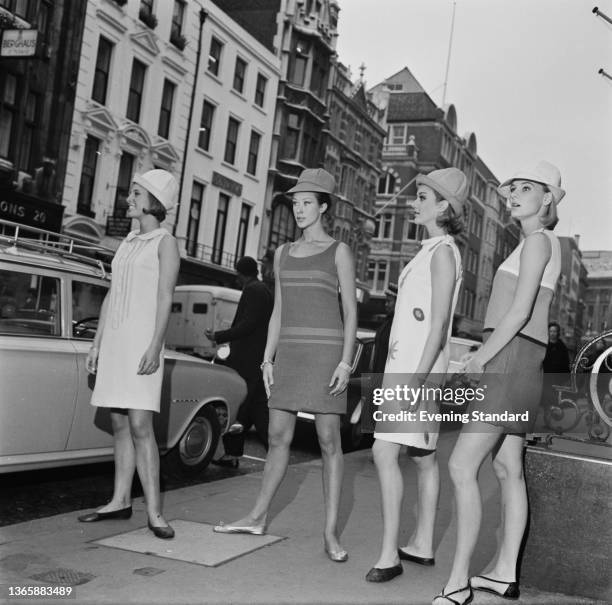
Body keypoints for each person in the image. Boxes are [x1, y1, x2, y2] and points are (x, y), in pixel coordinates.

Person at [434, 161, 564, 605]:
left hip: (508, 356)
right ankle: (504, 573)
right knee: (508, 469)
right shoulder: (537, 243)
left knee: (460, 466)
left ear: (546, 198)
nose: (512, 193)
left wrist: (478, 358)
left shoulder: (537, 243)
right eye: (511, 187)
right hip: (522, 357)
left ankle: (457, 583)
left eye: (525, 188)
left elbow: (521, 311)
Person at [213, 168, 357, 563]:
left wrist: (346, 362)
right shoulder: (283, 253)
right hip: (290, 355)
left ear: (324, 206)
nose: (299, 209)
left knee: (329, 442)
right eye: (295, 203)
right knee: (277, 436)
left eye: (307, 203)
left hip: (327, 355)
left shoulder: (339, 251)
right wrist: (267, 358)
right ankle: (257, 516)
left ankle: (330, 533)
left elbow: (350, 311)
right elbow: (279, 311)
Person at [366, 168, 466, 583]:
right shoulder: (430, 249)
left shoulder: (443, 251)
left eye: (423, 196)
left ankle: (390, 553)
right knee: (424, 457)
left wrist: (417, 379)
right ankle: (422, 542)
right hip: (409, 367)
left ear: (444, 206)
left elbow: (440, 323)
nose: (415, 201)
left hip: (415, 372)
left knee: (384, 453)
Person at [78, 169, 180, 540]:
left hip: (143, 343)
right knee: (119, 423)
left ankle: (154, 512)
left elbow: (166, 296)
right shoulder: (127, 242)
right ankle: (120, 500)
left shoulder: (164, 242)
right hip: (118, 342)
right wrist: (97, 343)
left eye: (136, 193)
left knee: (140, 425)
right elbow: (111, 294)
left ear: (153, 200)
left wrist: (156, 345)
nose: (129, 198)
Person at [206, 256, 273, 468]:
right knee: (256, 410)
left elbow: (248, 325)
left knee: (238, 405)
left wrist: (219, 336)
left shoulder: (254, 291)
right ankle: (271, 452)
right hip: (257, 360)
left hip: (246, 360)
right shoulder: (262, 290)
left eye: (237, 274)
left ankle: (235, 453)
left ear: (240, 273)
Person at [540, 321, 570, 412]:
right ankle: (547, 416)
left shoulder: (562, 346)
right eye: (551, 331)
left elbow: (566, 362)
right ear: (548, 332)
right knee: (546, 396)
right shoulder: (544, 345)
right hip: (545, 376)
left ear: (558, 333)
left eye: (554, 331)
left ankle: (551, 417)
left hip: (557, 378)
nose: (552, 333)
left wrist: (565, 377)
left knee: (554, 398)